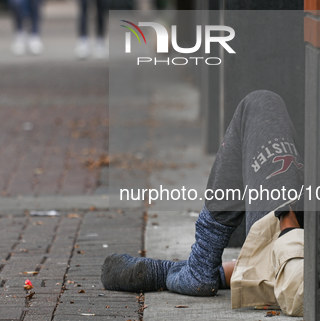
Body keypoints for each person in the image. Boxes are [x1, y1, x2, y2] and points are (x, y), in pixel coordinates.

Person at [101, 90, 305, 317]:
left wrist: (286, 219)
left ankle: (200, 265)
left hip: (307, 261)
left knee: (261, 103)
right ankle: (202, 269)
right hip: (314, 256)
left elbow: (302, 285)